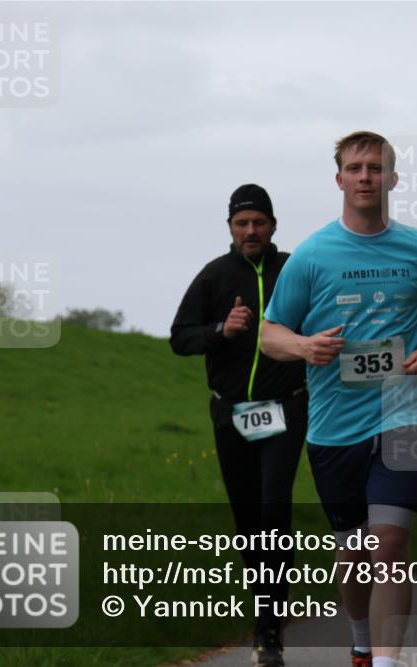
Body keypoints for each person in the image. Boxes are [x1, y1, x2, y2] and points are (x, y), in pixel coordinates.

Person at [259, 131, 417, 667]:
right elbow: (268, 332)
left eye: (375, 168)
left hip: (404, 414)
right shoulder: (313, 254)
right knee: (356, 553)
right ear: (339, 179)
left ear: (393, 178)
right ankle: (362, 642)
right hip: (333, 425)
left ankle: (389, 662)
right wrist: (303, 345)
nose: (365, 176)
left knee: (390, 544)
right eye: (355, 168)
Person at [170, 184, 307, 667]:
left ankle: (268, 629)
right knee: (249, 522)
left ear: (273, 226)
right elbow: (179, 338)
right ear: (230, 227)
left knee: (274, 511)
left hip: (285, 408)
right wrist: (219, 331)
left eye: (259, 222)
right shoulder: (214, 276)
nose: (251, 230)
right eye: (241, 223)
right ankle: (267, 606)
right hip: (231, 412)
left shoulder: (294, 268)